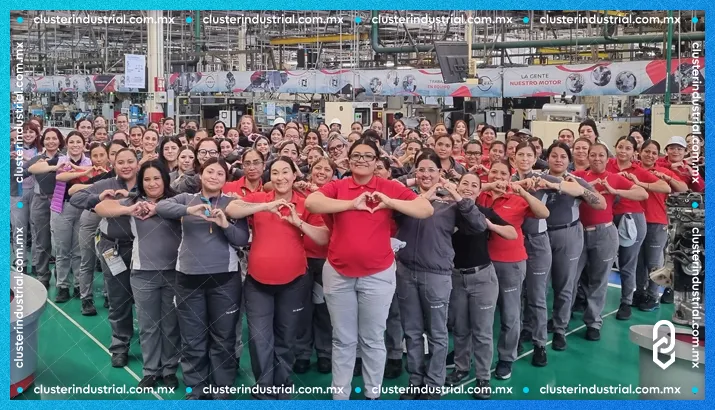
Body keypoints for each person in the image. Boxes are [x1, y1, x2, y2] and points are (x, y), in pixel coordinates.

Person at [305, 138, 433, 400]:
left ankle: (372, 394)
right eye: (356, 155)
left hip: (378, 275)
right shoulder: (338, 186)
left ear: (377, 162)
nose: (361, 160)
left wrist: (390, 202)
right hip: (338, 274)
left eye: (368, 156)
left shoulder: (388, 187)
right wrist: (351, 204)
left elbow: (425, 208)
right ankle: (340, 395)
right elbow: (312, 203)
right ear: (348, 159)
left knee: (373, 338)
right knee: (343, 339)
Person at [225, 157, 329, 399]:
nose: (280, 177)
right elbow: (231, 208)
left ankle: (282, 383)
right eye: (275, 173)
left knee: (286, 336)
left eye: (286, 172)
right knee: (260, 337)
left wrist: (298, 222)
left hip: (294, 282)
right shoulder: (260, 198)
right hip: (257, 283)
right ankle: (264, 386)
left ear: (295, 176)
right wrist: (264, 207)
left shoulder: (305, 204)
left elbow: (323, 237)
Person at [395, 152, 489, 400]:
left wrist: (455, 193)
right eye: (421, 170)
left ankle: (433, 384)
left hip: (436, 275)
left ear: (440, 173)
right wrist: (420, 193)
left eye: (431, 170)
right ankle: (415, 380)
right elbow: (393, 202)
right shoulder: (407, 199)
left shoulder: (451, 204)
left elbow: (478, 225)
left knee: (437, 333)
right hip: (405, 272)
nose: (426, 174)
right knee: (412, 332)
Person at [155, 157, 250, 399]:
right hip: (188, 279)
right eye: (210, 171)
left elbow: (241, 239)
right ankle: (195, 389)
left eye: (220, 173)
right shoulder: (186, 199)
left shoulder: (233, 204)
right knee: (193, 338)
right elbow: (161, 207)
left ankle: (221, 389)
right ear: (200, 174)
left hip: (225, 280)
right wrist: (190, 210)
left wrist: (225, 224)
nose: (214, 177)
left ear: (225, 179)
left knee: (223, 338)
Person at [94, 161, 181, 389]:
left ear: (165, 180)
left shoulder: (176, 201)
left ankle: (170, 369)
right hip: (143, 274)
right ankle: (151, 370)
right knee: (148, 324)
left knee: (171, 324)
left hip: (175, 274)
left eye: (157, 178)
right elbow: (100, 208)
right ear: (141, 183)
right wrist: (128, 209)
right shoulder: (135, 202)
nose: (152, 183)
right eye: (147, 179)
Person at [446, 173, 516, 399]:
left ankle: (483, 377)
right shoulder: (447, 213)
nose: (468, 188)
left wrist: (490, 226)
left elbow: (512, 233)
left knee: (483, 331)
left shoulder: (485, 213)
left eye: (473, 185)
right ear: (457, 186)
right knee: (460, 328)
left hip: (483, 279)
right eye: (464, 183)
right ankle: (461, 368)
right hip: (455, 277)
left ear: (479, 192)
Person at [478, 161, 549, 379]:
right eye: (494, 172)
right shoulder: (481, 195)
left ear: (510, 177)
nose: (498, 177)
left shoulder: (518, 199)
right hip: (482, 263)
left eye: (503, 173)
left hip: (511, 263)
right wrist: (487, 187)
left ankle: (506, 358)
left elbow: (543, 212)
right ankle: (471, 355)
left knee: (510, 313)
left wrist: (524, 193)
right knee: (480, 314)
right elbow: (461, 193)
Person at [69, 148, 140, 367]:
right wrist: (99, 197)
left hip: (143, 248)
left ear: (138, 163)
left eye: (130, 161)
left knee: (148, 300)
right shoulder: (107, 183)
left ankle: (153, 346)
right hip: (114, 249)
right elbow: (76, 197)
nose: (126, 165)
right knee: (118, 298)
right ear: (114, 164)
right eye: (121, 162)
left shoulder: (148, 181)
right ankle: (120, 345)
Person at [573, 143, 647, 340]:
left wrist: (615, 191)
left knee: (599, 280)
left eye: (601, 155)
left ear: (608, 159)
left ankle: (593, 322)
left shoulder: (613, 178)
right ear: (587, 157)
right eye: (593, 155)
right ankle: (561, 320)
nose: (597, 158)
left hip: (604, 233)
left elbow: (642, 193)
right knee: (571, 279)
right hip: (578, 233)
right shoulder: (579, 177)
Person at [541, 142, 606, 351]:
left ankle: (560, 328)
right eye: (554, 155)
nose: (558, 159)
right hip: (540, 236)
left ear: (569, 161)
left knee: (565, 285)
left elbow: (600, 203)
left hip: (568, 235)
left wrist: (580, 191)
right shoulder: (538, 179)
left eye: (562, 156)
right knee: (537, 287)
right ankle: (535, 328)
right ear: (547, 158)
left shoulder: (576, 181)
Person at [606, 136, 670, 320]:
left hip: (635, 220)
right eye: (620, 147)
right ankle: (638, 293)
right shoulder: (608, 165)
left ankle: (639, 298)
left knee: (637, 263)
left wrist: (639, 183)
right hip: (609, 218)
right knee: (619, 263)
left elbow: (664, 186)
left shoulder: (638, 171)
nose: (623, 151)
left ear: (634, 152)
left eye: (628, 148)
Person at [294, 157, 338, 374]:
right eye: (317, 168)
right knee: (302, 309)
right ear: (309, 171)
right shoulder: (299, 195)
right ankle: (302, 352)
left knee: (324, 310)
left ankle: (324, 352)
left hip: (326, 261)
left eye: (327, 169)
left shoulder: (336, 195)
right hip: (300, 259)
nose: (321, 172)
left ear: (333, 174)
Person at [635, 140, 688, 311]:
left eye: (654, 153)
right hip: (635, 220)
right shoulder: (633, 170)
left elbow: (683, 188)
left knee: (654, 262)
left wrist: (668, 177)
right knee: (638, 261)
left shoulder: (662, 171)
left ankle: (653, 296)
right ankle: (640, 292)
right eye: (647, 151)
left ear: (658, 155)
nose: (650, 155)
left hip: (656, 222)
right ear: (640, 152)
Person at [25, 128, 65, 289]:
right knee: (42, 240)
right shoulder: (36, 160)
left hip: (61, 202)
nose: (51, 141)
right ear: (43, 141)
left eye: (54, 138)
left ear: (59, 140)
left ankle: (61, 277)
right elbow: (21, 172)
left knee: (62, 242)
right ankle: (42, 275)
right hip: (40, 202)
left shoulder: (65, 159)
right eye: (47, 138)